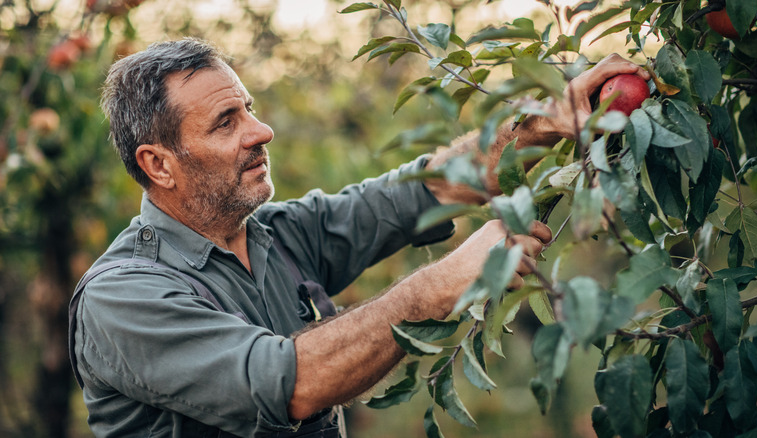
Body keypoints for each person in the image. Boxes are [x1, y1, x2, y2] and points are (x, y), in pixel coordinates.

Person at [68, 37, 649, 437]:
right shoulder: (122, 297)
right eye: (227, 123)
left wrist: (548, 120)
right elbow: (291, 385)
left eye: (249, 109)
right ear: (159, 164)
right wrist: (440, 284)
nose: (261, 131)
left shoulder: (274, 235)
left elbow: (428, 188)